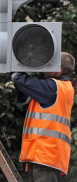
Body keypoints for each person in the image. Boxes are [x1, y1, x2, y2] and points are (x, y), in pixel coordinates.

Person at [11, 52, 75, 182]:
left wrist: (14, 64)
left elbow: (19, 79)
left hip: (46, 156)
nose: (46, 67)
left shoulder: (53, 88)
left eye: (49, 64)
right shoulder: (60, 88)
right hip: (46, 156)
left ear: (59, 69)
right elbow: (24, 97)